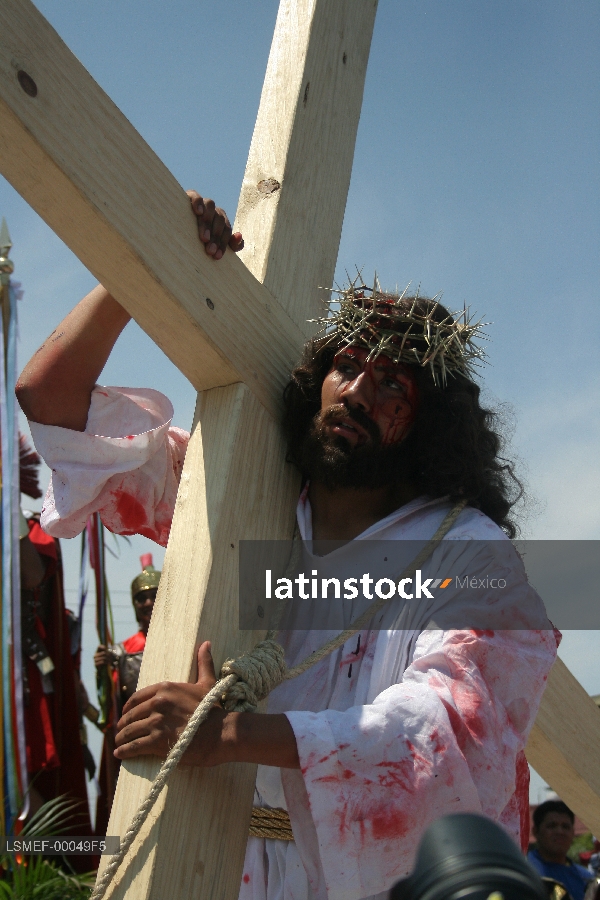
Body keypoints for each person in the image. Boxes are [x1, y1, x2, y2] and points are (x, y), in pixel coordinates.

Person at [16, 192, 558, 900]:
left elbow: (449, 728)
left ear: (434, 424)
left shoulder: (468, 551)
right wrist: (148, 257)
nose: (358, 392)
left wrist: (233, 736)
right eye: (349, 366)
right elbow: (48, 399)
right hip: (218, 865)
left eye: (393, 384)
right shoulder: (243, 494)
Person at [93, 553, 160, 836]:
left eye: (152, 595)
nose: (146, 603)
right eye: (140, 598)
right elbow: (108, 706)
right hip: (132, 741)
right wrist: (102, 673)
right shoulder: (121, 652)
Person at [528, 801, 594, 900]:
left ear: (573, 832)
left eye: (565, 826)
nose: (560, 832)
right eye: (552, 826)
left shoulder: (586, 879)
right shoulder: (523, 870)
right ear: (535, 831)